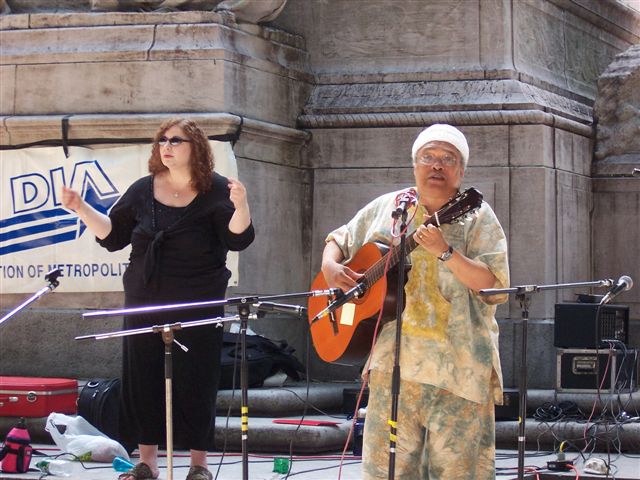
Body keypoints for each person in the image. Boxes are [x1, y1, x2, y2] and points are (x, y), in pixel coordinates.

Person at [61, 118, 255, 480]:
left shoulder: (216, 191)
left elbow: (238, 238)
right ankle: (147, 461)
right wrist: (83, 209)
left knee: (196, 378)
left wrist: (241, 206)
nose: (166, 146)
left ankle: (199, 464)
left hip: (198, 299)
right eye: (162, 140)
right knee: (143, 376)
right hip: (145, 298)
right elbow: (114, 235)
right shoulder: (142, 189)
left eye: (175, 140)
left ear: (195, 147)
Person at [320, 124, 509, 479]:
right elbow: (340, 239)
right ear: (414, 165)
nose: (436, 165)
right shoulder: (392, 207)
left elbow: (493, 287)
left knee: (457, 471)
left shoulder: (477, 216)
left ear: (461, 171)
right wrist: (330, 266)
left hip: (459, 367)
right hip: (395, 366)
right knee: (385, 471)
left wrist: (447, 252)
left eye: (447, 159)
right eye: (428, 157)